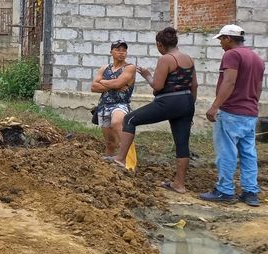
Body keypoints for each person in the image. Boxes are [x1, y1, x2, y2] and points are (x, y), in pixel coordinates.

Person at [109, 27, 196, 194]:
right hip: (187, 102)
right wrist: (189, 109)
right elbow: (195, 85)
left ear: (160, 45)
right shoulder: (188, 59)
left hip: (169, 101)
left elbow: (158, 86)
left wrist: (148, 75)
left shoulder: (166, 59)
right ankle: (179, 184)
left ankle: (120, 159)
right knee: (182, 144)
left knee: (129, 119)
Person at [199, 24, 265, 206]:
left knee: (227, 151)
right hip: (250, 112)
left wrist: (215, 106)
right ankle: (250, 192)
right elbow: (258, 87)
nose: (220, 43)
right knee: (248, 153)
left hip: (231, 111)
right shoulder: (257, 58)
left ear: (228, 38)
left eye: (221, 39)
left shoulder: (232, 55)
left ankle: (225, 190)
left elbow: (229, 82)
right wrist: (252, 104)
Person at [91, 40, 136, 158]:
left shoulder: (129, 68)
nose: (121, 52)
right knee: (110, 143)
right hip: (104, 105)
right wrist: (115, 85)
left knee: (116, 123)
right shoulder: (104, 68)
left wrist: (102, 82)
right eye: (118, 49)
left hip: (120, 104)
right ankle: (109, 163)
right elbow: (93, 87)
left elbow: (117, 83)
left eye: (124, 50)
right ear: (111, 52)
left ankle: (130, 159)